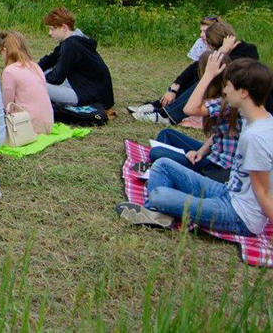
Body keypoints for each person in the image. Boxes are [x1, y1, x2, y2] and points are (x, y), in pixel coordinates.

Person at [115, 58, 273, 235]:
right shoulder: (256, 121)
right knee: (162, 165)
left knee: (159, 195)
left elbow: (264, 191)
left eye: (228, 85)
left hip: (238, 216)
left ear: (243, 93)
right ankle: (157, 213)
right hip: (228, 192)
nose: (225, 90)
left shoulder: (256, 137)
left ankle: (155, 210)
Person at [138, 51, 240, 183]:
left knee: (156, 153)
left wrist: (207, 75)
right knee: (167, 133)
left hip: (215, 168)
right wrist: (201, 151)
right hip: (212, 153)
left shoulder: (224, 101)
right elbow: (218, 134)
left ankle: (162, 170)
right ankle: (161, 167)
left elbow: (188, 109)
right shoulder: (221, 96)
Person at [133, 20, 261, 123]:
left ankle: (168, 115)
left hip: (237, 97)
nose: (209, 47)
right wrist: (174, 87)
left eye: (210, 45)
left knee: (208, 78)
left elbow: (229, 76)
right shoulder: (224, 52)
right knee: (198, 70)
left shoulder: (248, 51)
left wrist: (222, 51)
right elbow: (195, 66)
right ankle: (161, 106)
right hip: (225, 93)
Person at [38, 7, 114, 112]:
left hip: (89, 96)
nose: (50, 33)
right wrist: (33, 69)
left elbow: (57, 77)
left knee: (36, 85)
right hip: (94, 91)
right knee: (42, 74)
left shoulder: (70, 45)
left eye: (52, 29)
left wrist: (34, 78)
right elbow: (50, 59)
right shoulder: (76, 40)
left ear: (64, 28)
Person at [0, 31, 53, 135]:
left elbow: (8, 105)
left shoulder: (9, 71)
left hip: (27, 126)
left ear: (4, 50)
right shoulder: (35, 66)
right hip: (48, 124)